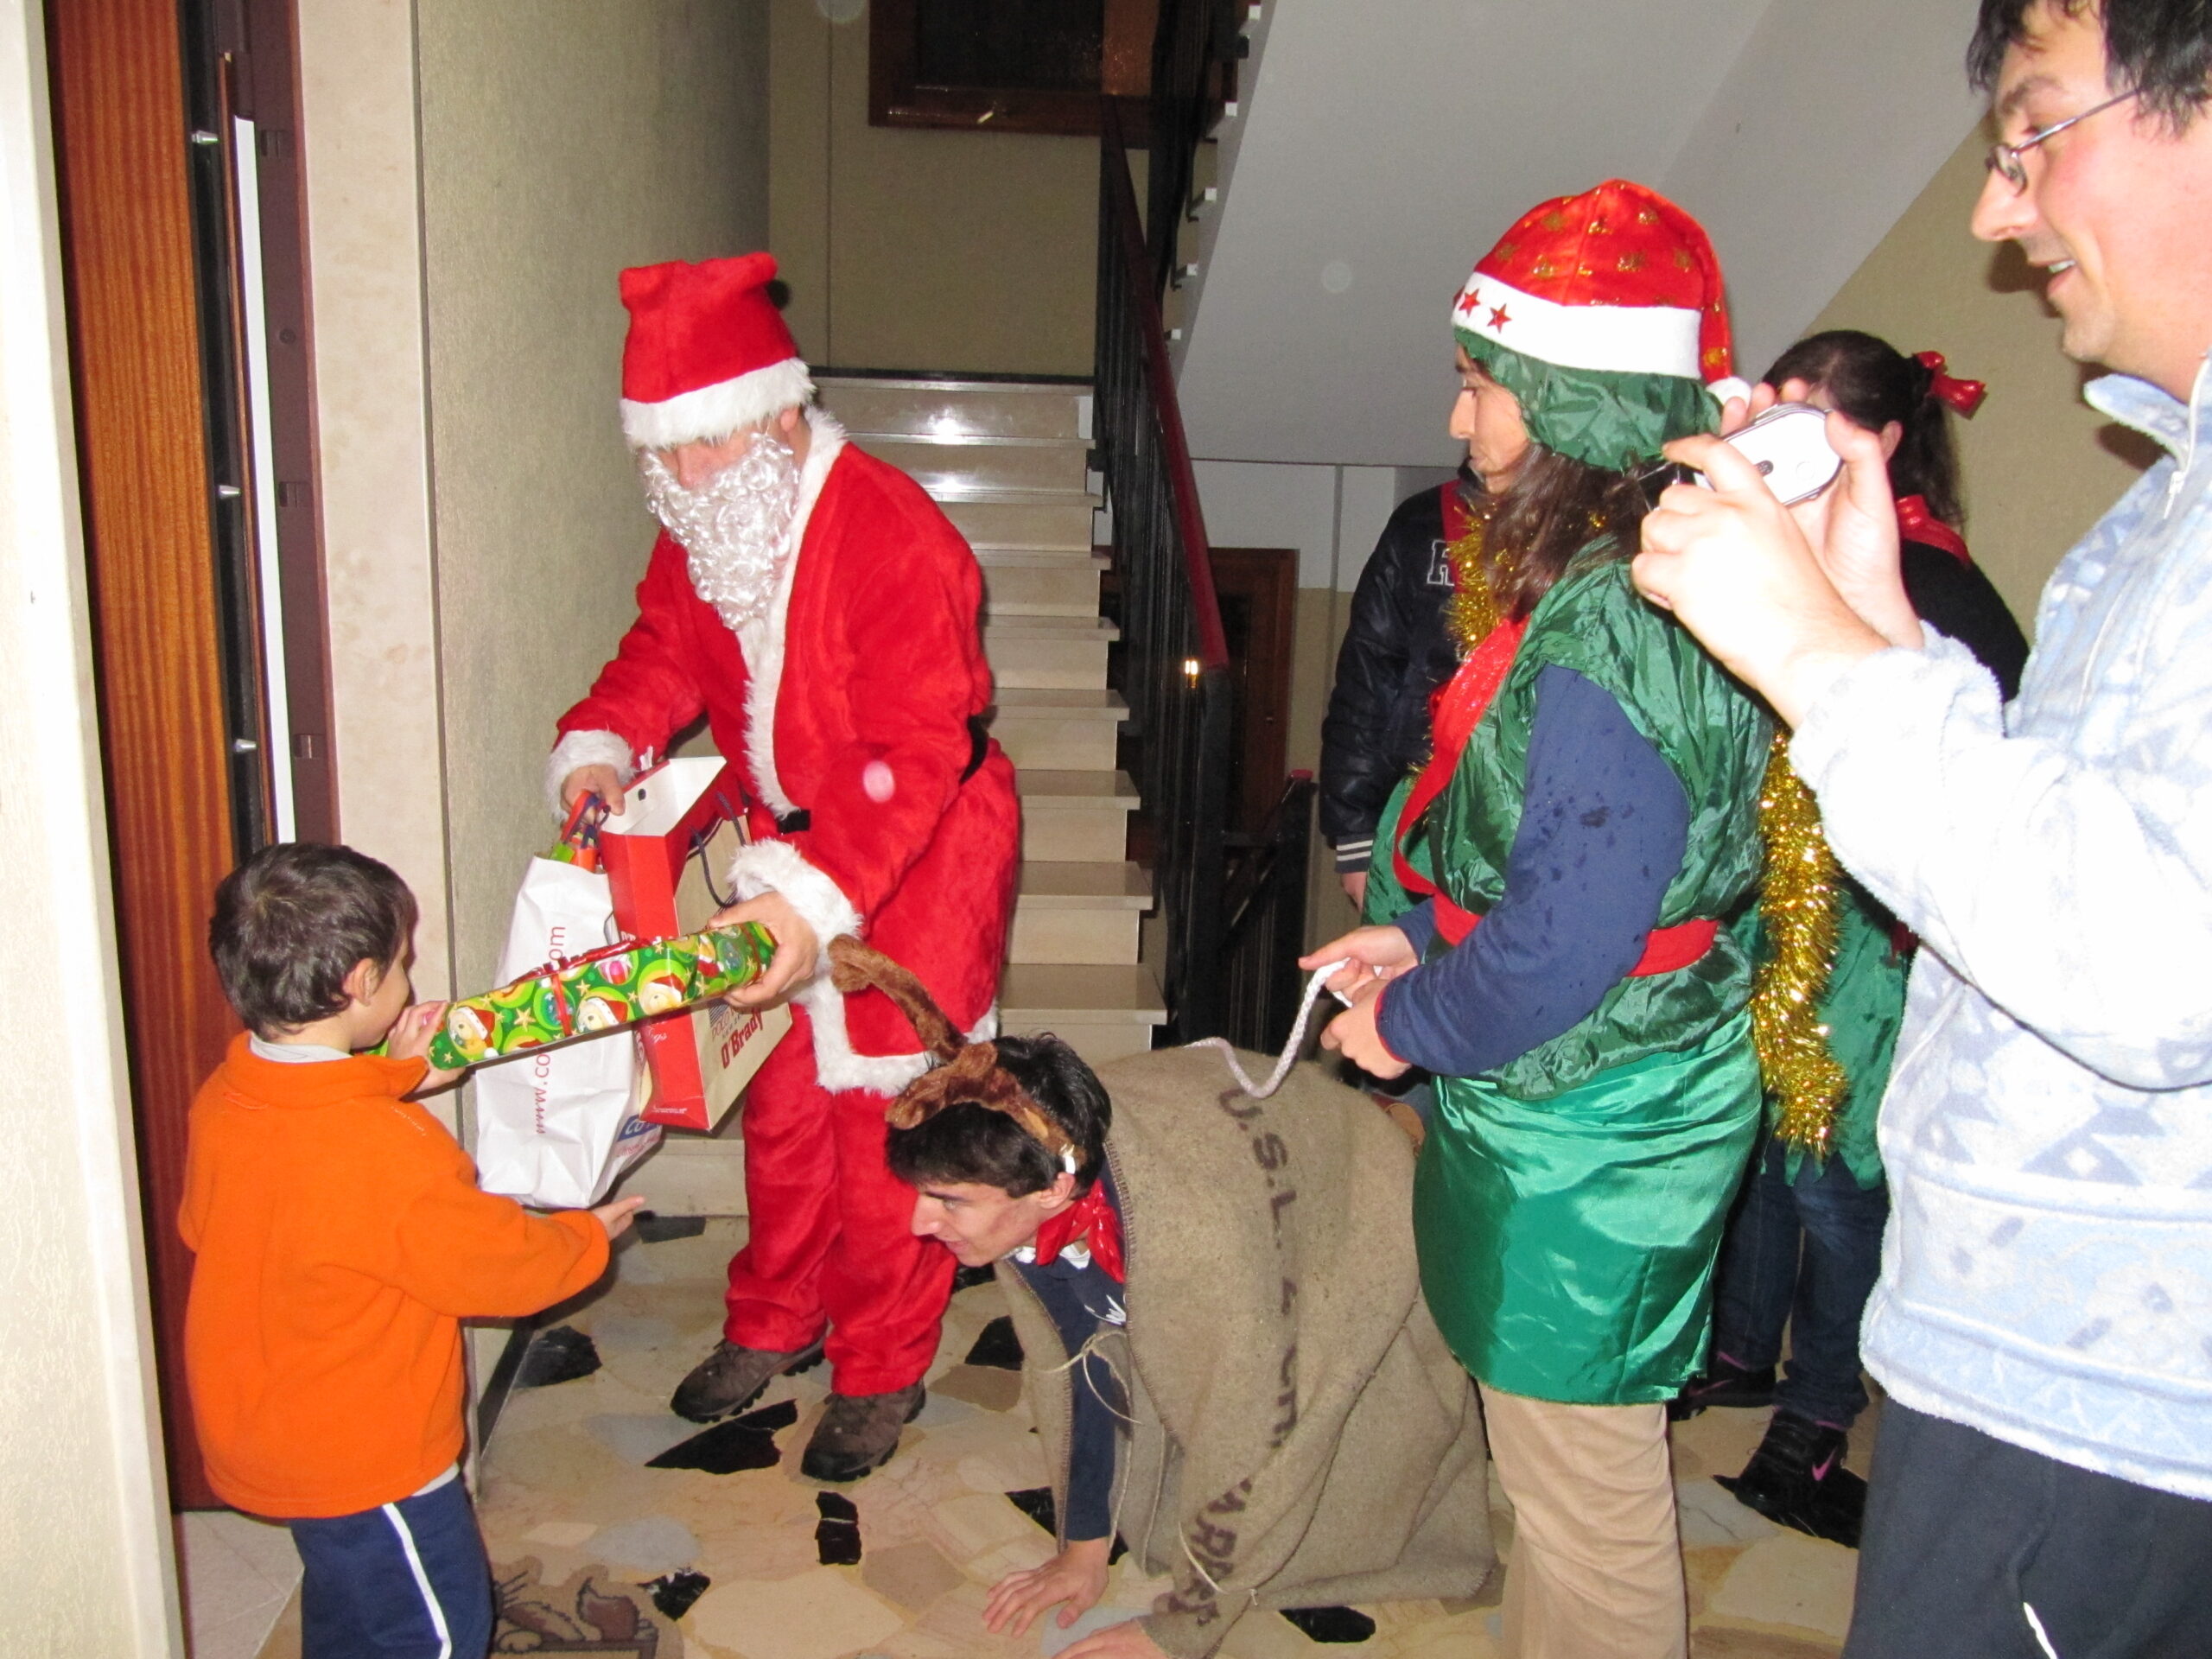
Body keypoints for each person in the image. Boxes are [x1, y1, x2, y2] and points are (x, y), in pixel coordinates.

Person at [1632, 2, 2212, 1651]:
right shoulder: (2161, 504)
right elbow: (2068, 837)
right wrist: (1868, 616)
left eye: (2033, 129)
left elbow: (2154, 962)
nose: (1993, 210)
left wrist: (1812, 655)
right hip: (2039, 1364)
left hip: (2115, 1411)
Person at [1303, 181, 1774, 1659]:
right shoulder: (1642, 582)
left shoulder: (1608, 628)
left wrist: (1409, 1019)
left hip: (1596, 1121)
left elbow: (1567, 948)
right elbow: (1588, 882)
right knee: (1564, 1481)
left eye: (1478, 385)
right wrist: (1425, 938)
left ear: (1565, 399)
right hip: (1620, 1086)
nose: (1458, 423)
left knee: (1591, 1498)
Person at [549, 253, 1020, 1480]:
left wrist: (814, 905)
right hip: (785, 855)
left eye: (710, 445)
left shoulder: (893, 531)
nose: (692, 477)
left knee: (892, 1139)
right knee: (783, 1117)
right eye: (669, 454)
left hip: (921, 858)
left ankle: (881, 1365)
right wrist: (601, 747)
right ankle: (774, 1320)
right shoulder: (700, 525)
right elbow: (660, 650)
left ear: (778, 409)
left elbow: (919, 750)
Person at [834, 941, 1492, 1659]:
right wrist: (1084, 1549)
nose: (920, 1223)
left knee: (1326, 1473)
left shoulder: (1200, 1249)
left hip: (1357, 1182)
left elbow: (1257, 1437)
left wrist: (1182, 1627)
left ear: (1055, 1191)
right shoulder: (1025, 1182)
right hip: (1215, 1160)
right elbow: (1079, 1370)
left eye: (947, 1201)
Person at [1678, 332, 2031, 1548]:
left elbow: (1977, 790)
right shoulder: (1788, 555)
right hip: (1790, 908)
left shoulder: (1929, 582)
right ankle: (1742, 1356)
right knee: (1776, 1153)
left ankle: (1815, 1429)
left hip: (1876, 938)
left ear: (1875, 451)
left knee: (1836, 1182)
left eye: (1807, 433)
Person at [182, 842, 639, 1659]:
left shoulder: (229, 1095)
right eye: (400, 963)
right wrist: (583, 1235)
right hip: (372, 1457)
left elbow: (238, 1205)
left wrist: (392, 1076)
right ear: (360, 984)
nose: (409, 978)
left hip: (267, 1427)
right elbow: (501, 1268)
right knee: (435, 1630)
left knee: (351, 1594)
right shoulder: (386, 1154)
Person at [1319, 462, 1478, 908]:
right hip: (1417, 818)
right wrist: (1354, 837)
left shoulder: (1595, 522)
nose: (1459, 422)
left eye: (1479, 395)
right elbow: (1368, 677)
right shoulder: (1424, 520)